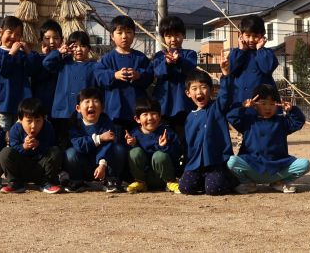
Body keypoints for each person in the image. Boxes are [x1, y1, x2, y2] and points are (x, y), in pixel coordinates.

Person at [227, 84, 310, 194]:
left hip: (278, 169)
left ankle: (280, 183)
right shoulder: (248, 121)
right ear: (255, 105)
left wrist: (292, 110)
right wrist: (243, 107)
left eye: (272, 104)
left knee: (305, 164)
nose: (268, 107)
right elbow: (232, 117)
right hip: (253, 167)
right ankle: (247, 183)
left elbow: (298, 122)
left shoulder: (281, 122)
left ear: (277, 105)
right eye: (263, 103)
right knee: (232, 161)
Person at [96, 15, 154, 134]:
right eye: (119, 32)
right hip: (115, 111)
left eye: (128, 32)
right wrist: (114, 75)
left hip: (137, 111)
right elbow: (99, 76)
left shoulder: (140, 57)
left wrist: (139, 75)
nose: (124, 36)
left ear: (134, 34)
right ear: (112, 36)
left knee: (137, 140)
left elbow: (150, 75)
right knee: (116, 141)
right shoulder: (107, 58)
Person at [42, 29, 100, 146]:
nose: (78, 50)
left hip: (84, 114)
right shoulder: (64, 63)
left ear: (89, 48)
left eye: (82, 46)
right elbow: (46, 63)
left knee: (82, 142)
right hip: (63, 112)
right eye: (74, 46)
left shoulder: (94, 66)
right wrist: (59, 52)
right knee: (61, 143)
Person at [180, 71, 234, 196]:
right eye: (194, 89)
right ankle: (205, 181)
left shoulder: (217, 108)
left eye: (203, 87)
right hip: (195, 164)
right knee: (185, 188)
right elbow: (188, 144)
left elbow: (225, 95)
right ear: (188, 93)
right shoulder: (189, 118)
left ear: (212, 90)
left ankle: (230, 180)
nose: (199, 92)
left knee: (213, 189)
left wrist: (226, 75)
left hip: (216, 161)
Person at [65, 87, 128, 193]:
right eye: (87, 101)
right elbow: (79, 145)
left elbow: (108, 145)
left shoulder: (106, 122)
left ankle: (111, 180)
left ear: (102, 107)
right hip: (84, 164)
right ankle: (77, 181)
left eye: (95, 101)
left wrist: (102, 164)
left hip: (103, 166)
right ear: (78, 108)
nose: (91, 105)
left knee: (118, 149)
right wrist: (99, 138)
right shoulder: (74, 124)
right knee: (70, 153)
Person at [0, 15, 42, 131]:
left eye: (17, 34)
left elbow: (34, 70)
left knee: (19, 133)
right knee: (2, 132)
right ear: (1, 32)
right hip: (2, 105)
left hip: (21, 105)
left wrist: (28, 52)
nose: (13, 37)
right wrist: (11, 53)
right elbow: (2, 70)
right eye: (10, 32)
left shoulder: (22, 55)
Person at [0, 97, 64, 194]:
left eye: (38, 121)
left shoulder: (48, 127)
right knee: (5, 152)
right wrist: (23, 147)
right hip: (22, 169)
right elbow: (13, 149)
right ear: (20, 119)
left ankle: (47, 183)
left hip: (41, 169)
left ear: (44, 119)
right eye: (29, 121)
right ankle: (14, 183)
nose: (33, 125)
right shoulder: (15, 129)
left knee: (56, 151)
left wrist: (39, 145)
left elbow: (51, 147)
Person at [151, 15, 197, 146]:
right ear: (163, 37)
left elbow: (190, 68)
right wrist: (167, 62)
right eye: (169, 36)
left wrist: (179, 60)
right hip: (163, 105)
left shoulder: (190, 54)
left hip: (184, 104)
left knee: (185, 140)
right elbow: (157, 72)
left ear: (183, 35)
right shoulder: (159, 56)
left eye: (177, 35)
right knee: (165, 140)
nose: (173, 39)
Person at [125, 97, 181, 194]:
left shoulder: (167, 132)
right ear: (137, 119)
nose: (150, 118)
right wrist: (133, 144)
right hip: (145, 177)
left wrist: (164, 146)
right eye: (145, 114)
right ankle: (140, 183)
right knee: (134, 152)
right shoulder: (134, 134)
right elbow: (129, 159)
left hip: (163, 178)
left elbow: (177, 154)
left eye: (153, 113)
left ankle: (171, 182)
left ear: (160, 117)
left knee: (159, 155)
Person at [226, 14, 278, 104]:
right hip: (241, 100)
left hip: (263, 102)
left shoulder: (267, 53)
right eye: (248, 35)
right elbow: (231, 70)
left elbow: (267, 68)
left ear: (262, 36)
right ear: (241, 36)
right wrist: (241, 50)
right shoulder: (236, 53)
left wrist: (260, 49)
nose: (251, 39)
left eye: (255, 36)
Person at [32, 19, 64, 117]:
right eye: (47, 38)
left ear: (62, 40)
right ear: (41, 40)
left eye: (56, 38)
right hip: (41, 106)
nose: (52, 42)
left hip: (59, 107)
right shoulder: (37, 58)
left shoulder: (64, 60)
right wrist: (48, 56)